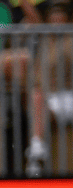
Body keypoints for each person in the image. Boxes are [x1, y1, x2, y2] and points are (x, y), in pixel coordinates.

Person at [26, 0, 73, 175]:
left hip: (69, 96)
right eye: (54, 19)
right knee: (36, 97)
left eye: (61, 19)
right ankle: (37, 154)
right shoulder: (44, 39)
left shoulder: (70, 40)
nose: (57, 23)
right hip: (51, 99)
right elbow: (33, 18)